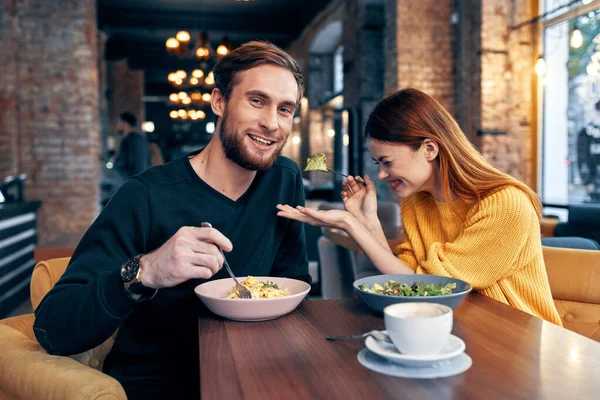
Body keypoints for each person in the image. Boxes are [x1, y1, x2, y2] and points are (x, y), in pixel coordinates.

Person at [33, 41, 310, 399]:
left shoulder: (284, 179)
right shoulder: (146, 195)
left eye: (285, 109)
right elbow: (53, 329)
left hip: (256, 374)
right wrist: (146, 271)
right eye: (257, 101)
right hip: (159, 384)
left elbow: (295, 284)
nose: (272, 123)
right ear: (219, 101)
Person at [278, 88, 562, 326]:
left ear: (429, 149)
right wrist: (369, 221)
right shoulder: (418, 203)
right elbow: (404, 282)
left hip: (521, 342)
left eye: (387, 162)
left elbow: (430, 290)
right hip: (461, 331)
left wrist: (350, 225)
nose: (381, 175)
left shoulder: (505, 205)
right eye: (378, 164)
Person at [113, 112, 151, 187]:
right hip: (141, 180)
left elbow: (124, 162)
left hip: (132, 181)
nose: (117, 125)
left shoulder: (129, 140)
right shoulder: (141, 138)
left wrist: (115, 163)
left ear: (124, 124)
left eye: (119, 122)